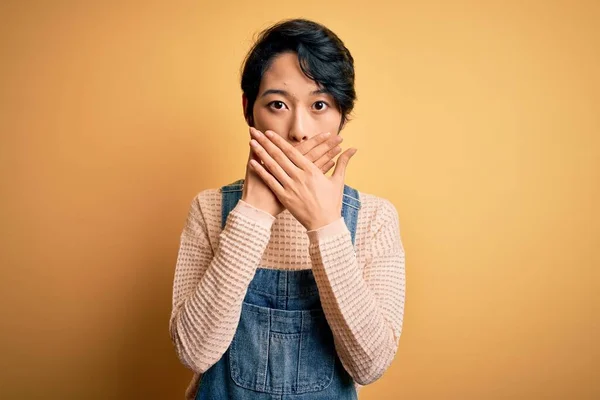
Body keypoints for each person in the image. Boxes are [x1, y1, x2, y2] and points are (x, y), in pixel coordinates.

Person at [169, 18, 406, 400]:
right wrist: (253, 212)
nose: (299, 130)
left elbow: (370, 365)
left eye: (320, 105)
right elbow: (193, 353)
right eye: (278, 104)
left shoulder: (375, 219)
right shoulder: (209, 209)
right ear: (249, 110)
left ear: (342, 114)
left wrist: (325, 224)